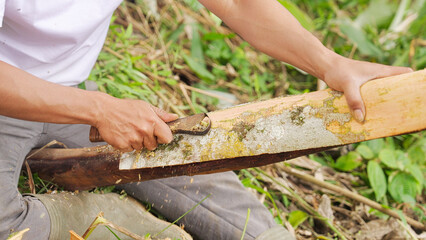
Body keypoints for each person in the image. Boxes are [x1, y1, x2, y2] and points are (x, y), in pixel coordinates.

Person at [0, 0, 412, 239]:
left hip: (71, 91)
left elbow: (235, 3)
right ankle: (116, 221)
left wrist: (329, 63)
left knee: (194, 164)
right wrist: (100, 110)